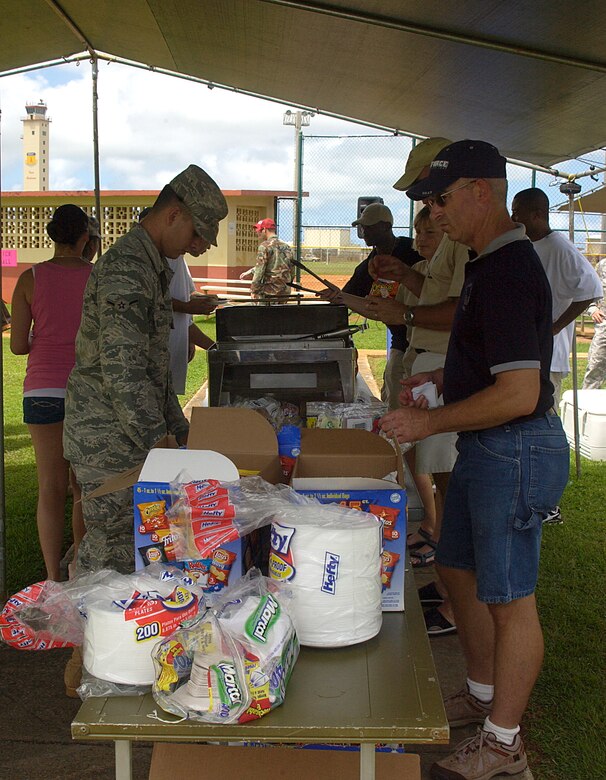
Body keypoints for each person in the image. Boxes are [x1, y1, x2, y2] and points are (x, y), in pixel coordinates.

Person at [380, 140, 569, 780]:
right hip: (487, 445)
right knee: (455, 566)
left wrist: (429, 420)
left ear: (480, 191)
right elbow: (496, 367)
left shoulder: (510, 269)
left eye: (440, 199)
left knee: (510, 598)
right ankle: (484, 695)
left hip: (515, 449)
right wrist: (441, 381)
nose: (432, 214)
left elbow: (519, 393)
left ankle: (504, 745)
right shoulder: (487, 264)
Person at [63, 165, 228, 576]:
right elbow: (124, 374)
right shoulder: (128, 269)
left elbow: (153, 373)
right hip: (109, 441)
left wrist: (183, 434)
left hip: (128, 434)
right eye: (197, 235)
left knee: (140, 552)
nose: (198, 247)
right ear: (173, 215)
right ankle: (87, 616)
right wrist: (162, 447)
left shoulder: (150, 265)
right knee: (115, 554)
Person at [10, 204, 92, 581]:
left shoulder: (29, 279)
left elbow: (17, 346)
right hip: (86, 391)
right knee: (82, 486)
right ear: (84, 237)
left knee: (50, 487)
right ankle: (79, 566)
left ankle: (51, 577)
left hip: (41, 389)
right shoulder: (96, 277)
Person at [511, 187, 602, 405]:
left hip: (549, 355)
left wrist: (555, 327)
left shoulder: (560, 247)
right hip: (530, 349)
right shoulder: (527, 245)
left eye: (517, 212)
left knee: (543, 409)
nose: (513, 218)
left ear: (537, 215)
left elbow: (592, 288)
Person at [138, 207, 218, 395]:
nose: (206, 248)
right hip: (151, 361)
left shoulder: (177, 256)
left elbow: (186, 295)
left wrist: (202, 301)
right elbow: (151, 300)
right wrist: (188, 307)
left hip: (171, 356)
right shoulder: (146, 257)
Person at [243, 218, 294, 302]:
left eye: (259, 230)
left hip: (269, 292)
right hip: (284, 292)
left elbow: (260, 271)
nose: (257, 232)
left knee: (263, 311)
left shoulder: (264, 246)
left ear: (264, 230)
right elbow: (292, 270)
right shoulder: (287, 247)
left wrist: (254, 289)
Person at [582, 256, 606, 389]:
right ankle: (587, 399)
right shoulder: (602, 266)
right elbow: (590, 289)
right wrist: (592, 308)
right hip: (604, 327)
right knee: (595, 367)